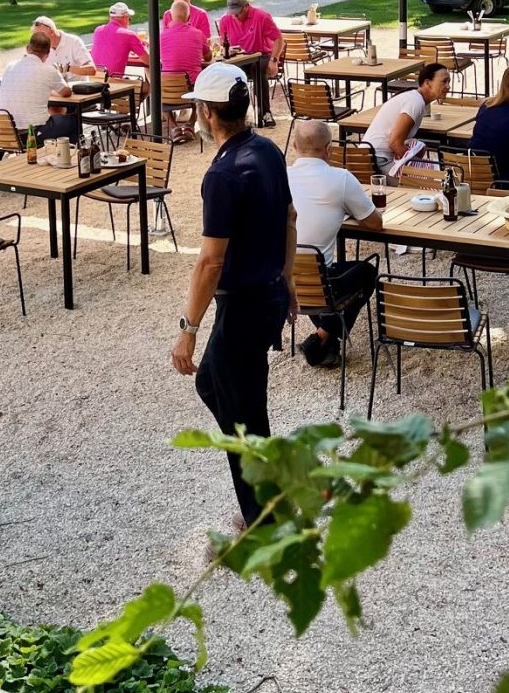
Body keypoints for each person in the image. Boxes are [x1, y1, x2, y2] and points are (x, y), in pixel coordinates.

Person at [171, 62, 296, 526]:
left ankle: (265, 517)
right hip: (265, 296)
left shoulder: (223, 175)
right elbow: (289, 218)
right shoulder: (266, 150)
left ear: (206, 112)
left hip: (245, 302)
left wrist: (188, 329)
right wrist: (289, 282)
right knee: (222, 388)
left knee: (241, 409)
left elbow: (210, 261)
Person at [287, 118, 382, 369]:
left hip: (281, 278)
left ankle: (324, 341)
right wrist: (347, 208)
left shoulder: (279, 177)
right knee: (366, 272)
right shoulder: (340, 178)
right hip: (319, 283)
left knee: (320, 273)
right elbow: (375, 223)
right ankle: (323, 336)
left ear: (294, 146)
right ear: (329, 149)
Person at [0, 31, 81, 148]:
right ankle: (67, 158)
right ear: (47, 54)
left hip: (7, 130)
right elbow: (66, 92)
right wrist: (59, 78)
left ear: (27, 48)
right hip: (32, 132)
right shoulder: (48, 70)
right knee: (73, 121)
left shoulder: (10, 66)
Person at [363, 62, 452, 171]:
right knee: (431, 180)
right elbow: (395, 143)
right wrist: (416, 165)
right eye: (444, 81)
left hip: (371, 156)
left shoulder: (414, 98)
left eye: (449, 82)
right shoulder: (416, 102)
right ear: (428, 83)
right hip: (377, 161)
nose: (448, 86)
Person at [218, 0, 284, 77]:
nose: (235, 16)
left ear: (246, 6)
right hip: (238, 57)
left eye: (238, 13)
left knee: (258, 68)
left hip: (261, 55)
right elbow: (223, 43)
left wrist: (273, 60)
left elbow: (278, 39)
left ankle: (261, 91)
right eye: (233, 14)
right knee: (224, 71)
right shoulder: (225, 19)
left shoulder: (262, 17)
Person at [159, 0, 212, 87]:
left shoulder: (161, 37)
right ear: (189, 17)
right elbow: (208, 57)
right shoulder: (198, 34)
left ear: (170, 17)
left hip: (168, 90)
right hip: (192, 88)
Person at [91, 2, 150, 76]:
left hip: (94, 77)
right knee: (143, 83)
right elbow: (148, 61)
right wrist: (145, 45)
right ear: (125, 17)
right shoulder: (129, 35)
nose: (129, 22)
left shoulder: (98, 30)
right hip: (112, 81)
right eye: (129, 19)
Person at [31, 15, 96, 77]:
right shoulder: (39, 48)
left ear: (52, 31)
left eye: (41, 35)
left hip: (76, 86)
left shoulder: (74, 42)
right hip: (54, 87)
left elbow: (91, 70)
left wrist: (67, 68)